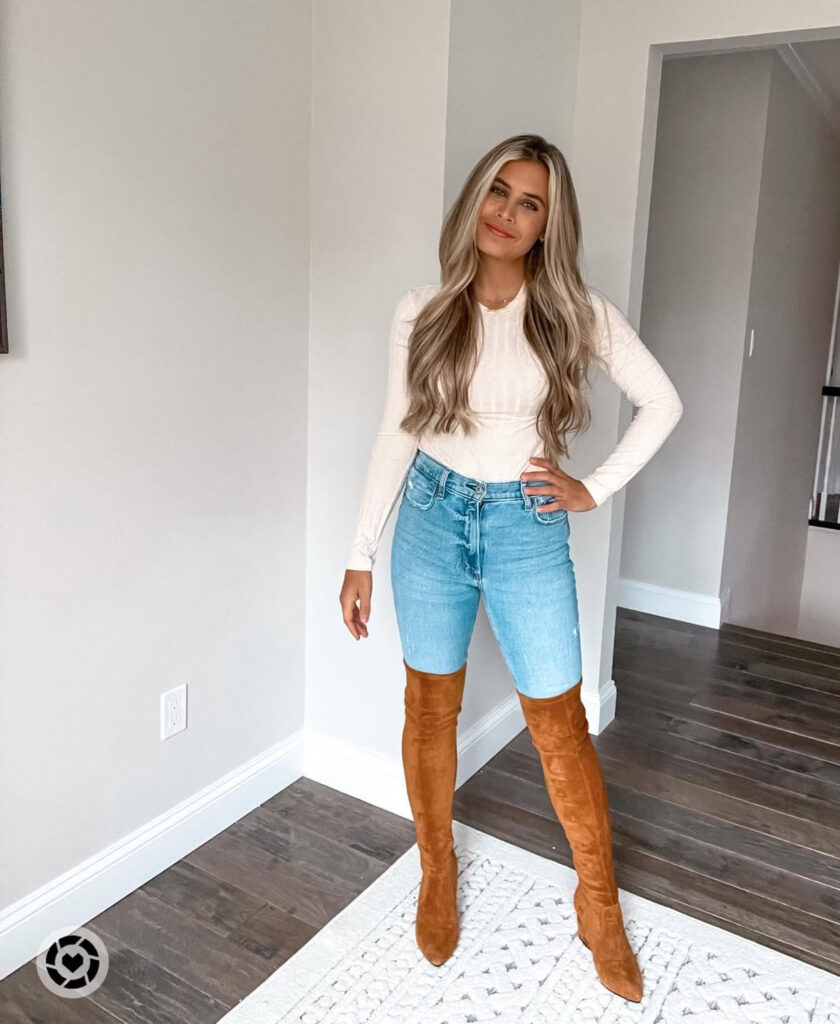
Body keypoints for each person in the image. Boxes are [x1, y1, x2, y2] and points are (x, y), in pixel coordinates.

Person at [339, 133, 683, 1003]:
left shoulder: (575, 311)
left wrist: (592, 488)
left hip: (526, 529)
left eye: (530, 203)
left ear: (546, 225)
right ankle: (436, 871)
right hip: (428, 518)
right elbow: (398, 430)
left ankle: (597, 904)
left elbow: (663, 401)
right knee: (430, 707)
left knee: (558, 721)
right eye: (499, 192)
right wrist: (360, 556)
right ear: (474, 199)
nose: (508, 213)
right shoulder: (422, 308)